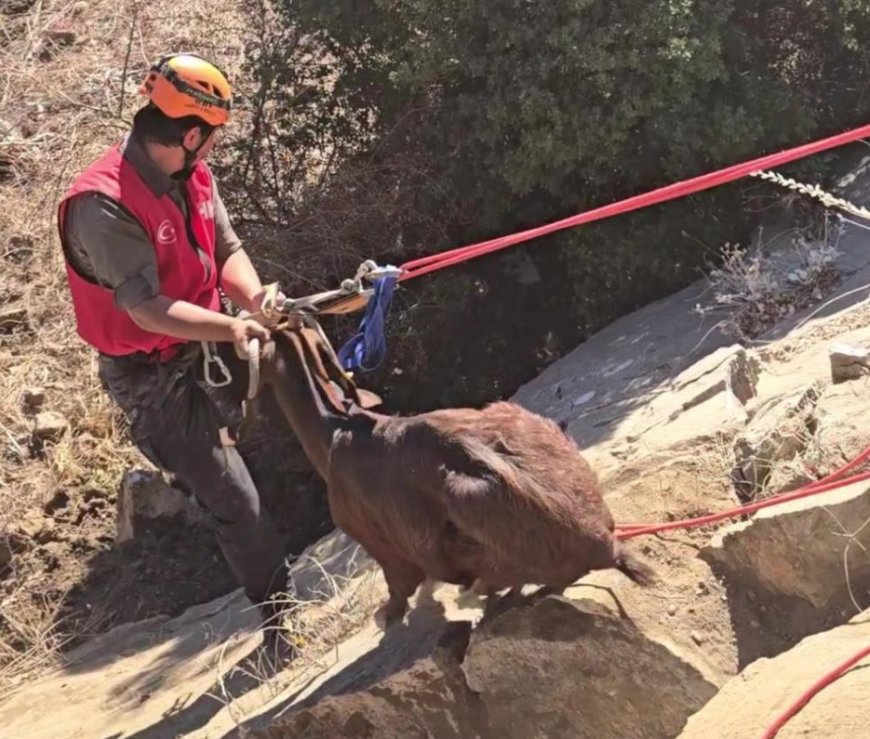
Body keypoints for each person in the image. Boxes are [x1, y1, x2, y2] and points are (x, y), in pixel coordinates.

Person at [55, 52, 291, 635]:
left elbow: (227, 248)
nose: (211, 150)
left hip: (205, 339)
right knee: (233, 498)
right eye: (209, 138)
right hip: (150, 374)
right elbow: (147, 309)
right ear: (190, 133)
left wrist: (257, 301)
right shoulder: (101, 205)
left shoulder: (191, 174)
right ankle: (284, 617)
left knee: (300, 362)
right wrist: (233, 328)